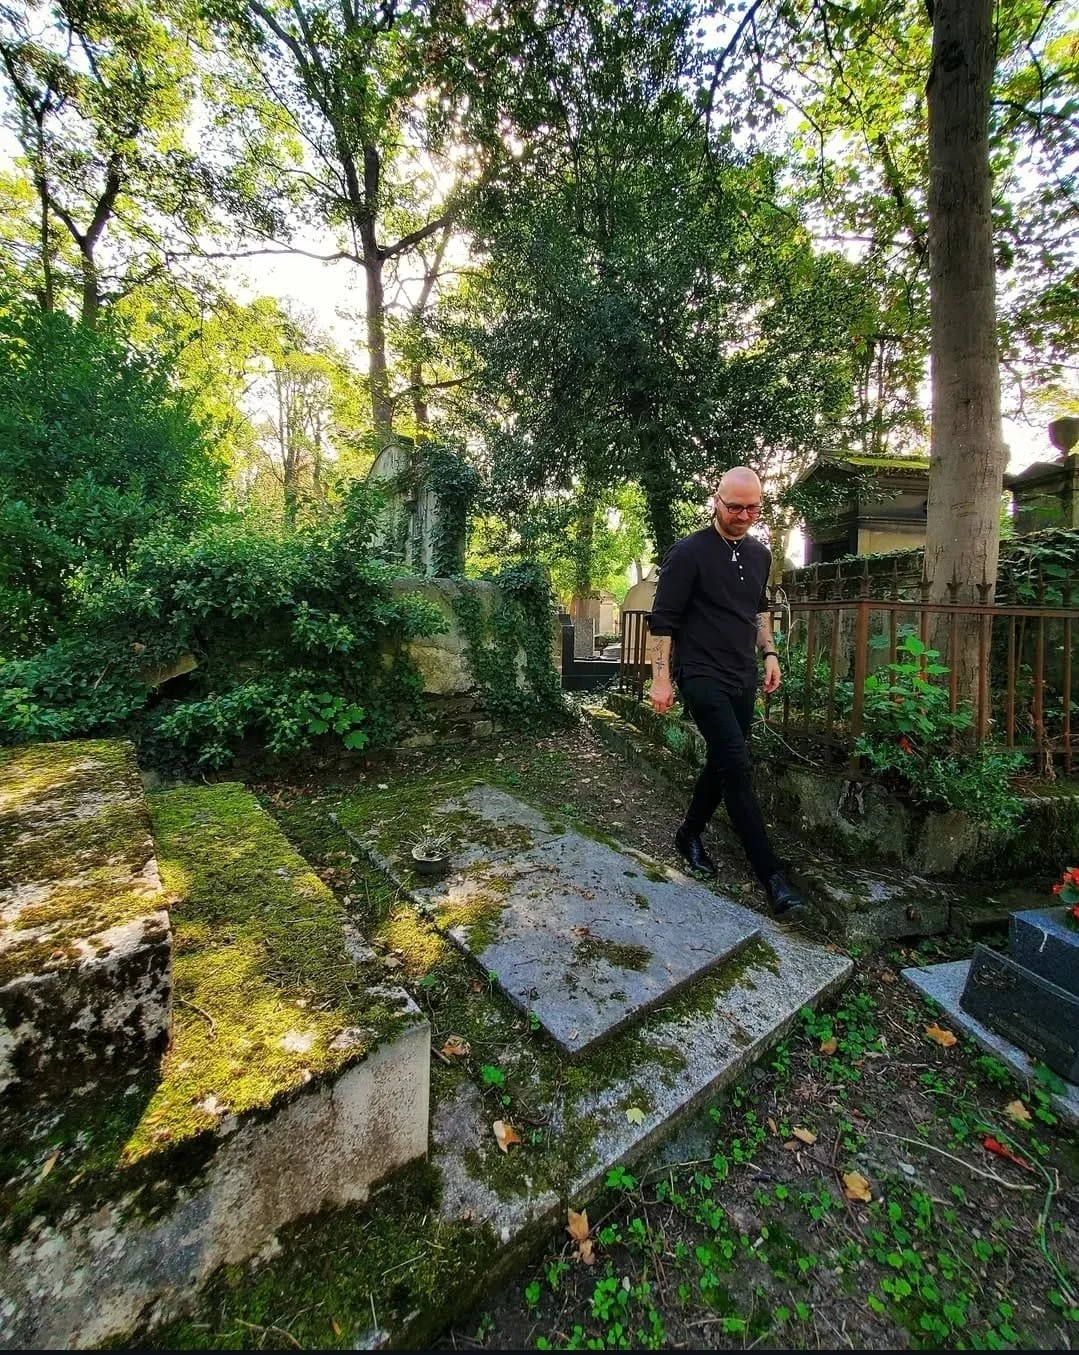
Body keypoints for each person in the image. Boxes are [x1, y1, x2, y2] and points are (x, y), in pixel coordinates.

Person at [647, 467, 805, 919]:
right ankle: (771, 876)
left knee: (723, 759)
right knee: (736, 764)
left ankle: (689, 833)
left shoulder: (759, 554)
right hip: (701, 674)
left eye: (752, 507)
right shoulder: (689, 553)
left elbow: (758, 610)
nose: (742, 515)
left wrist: (770, 654)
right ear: (715, 500)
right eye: (734, 506)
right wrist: (661, 678)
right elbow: (663, 620)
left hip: (743, 674)